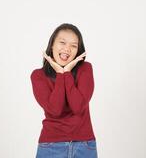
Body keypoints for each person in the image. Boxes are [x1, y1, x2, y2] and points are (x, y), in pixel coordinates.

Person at [30, 23, 98, 158]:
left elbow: (77, 107)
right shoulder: (38, 76)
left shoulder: (85, 69)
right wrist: (61, 74)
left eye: (73, 46)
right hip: (50, 146)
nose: (67, 49)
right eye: (62, 43)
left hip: (84, 145)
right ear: (52, 45)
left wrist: (66, 73)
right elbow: (55, 110)